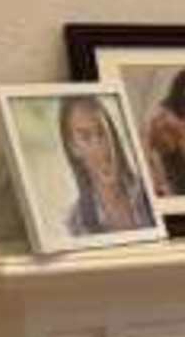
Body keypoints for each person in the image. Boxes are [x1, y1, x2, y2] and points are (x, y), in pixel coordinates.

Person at [59, 95, 152, 235]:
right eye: (86, 137)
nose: (100, 147)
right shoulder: (76, 223)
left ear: (112, 135)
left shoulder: (148, 192)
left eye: (101, 132)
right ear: (73, 148)